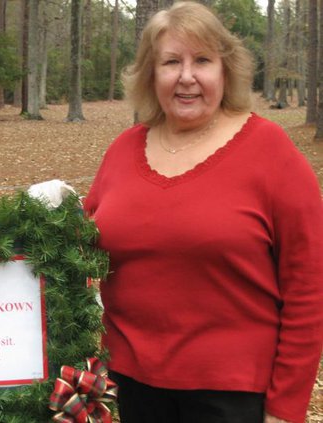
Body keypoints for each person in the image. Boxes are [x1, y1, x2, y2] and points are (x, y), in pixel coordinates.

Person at [83, 2, 323, 423]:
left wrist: (285, 407)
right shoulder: (123, 150)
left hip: (233, 397)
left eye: (203, 61)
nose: (187, 76)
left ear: (225, 71)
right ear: (150, 74)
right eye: (171, 62)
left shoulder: (270, 152)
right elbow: (76, 250)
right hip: (133, 387)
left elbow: (309, 285)